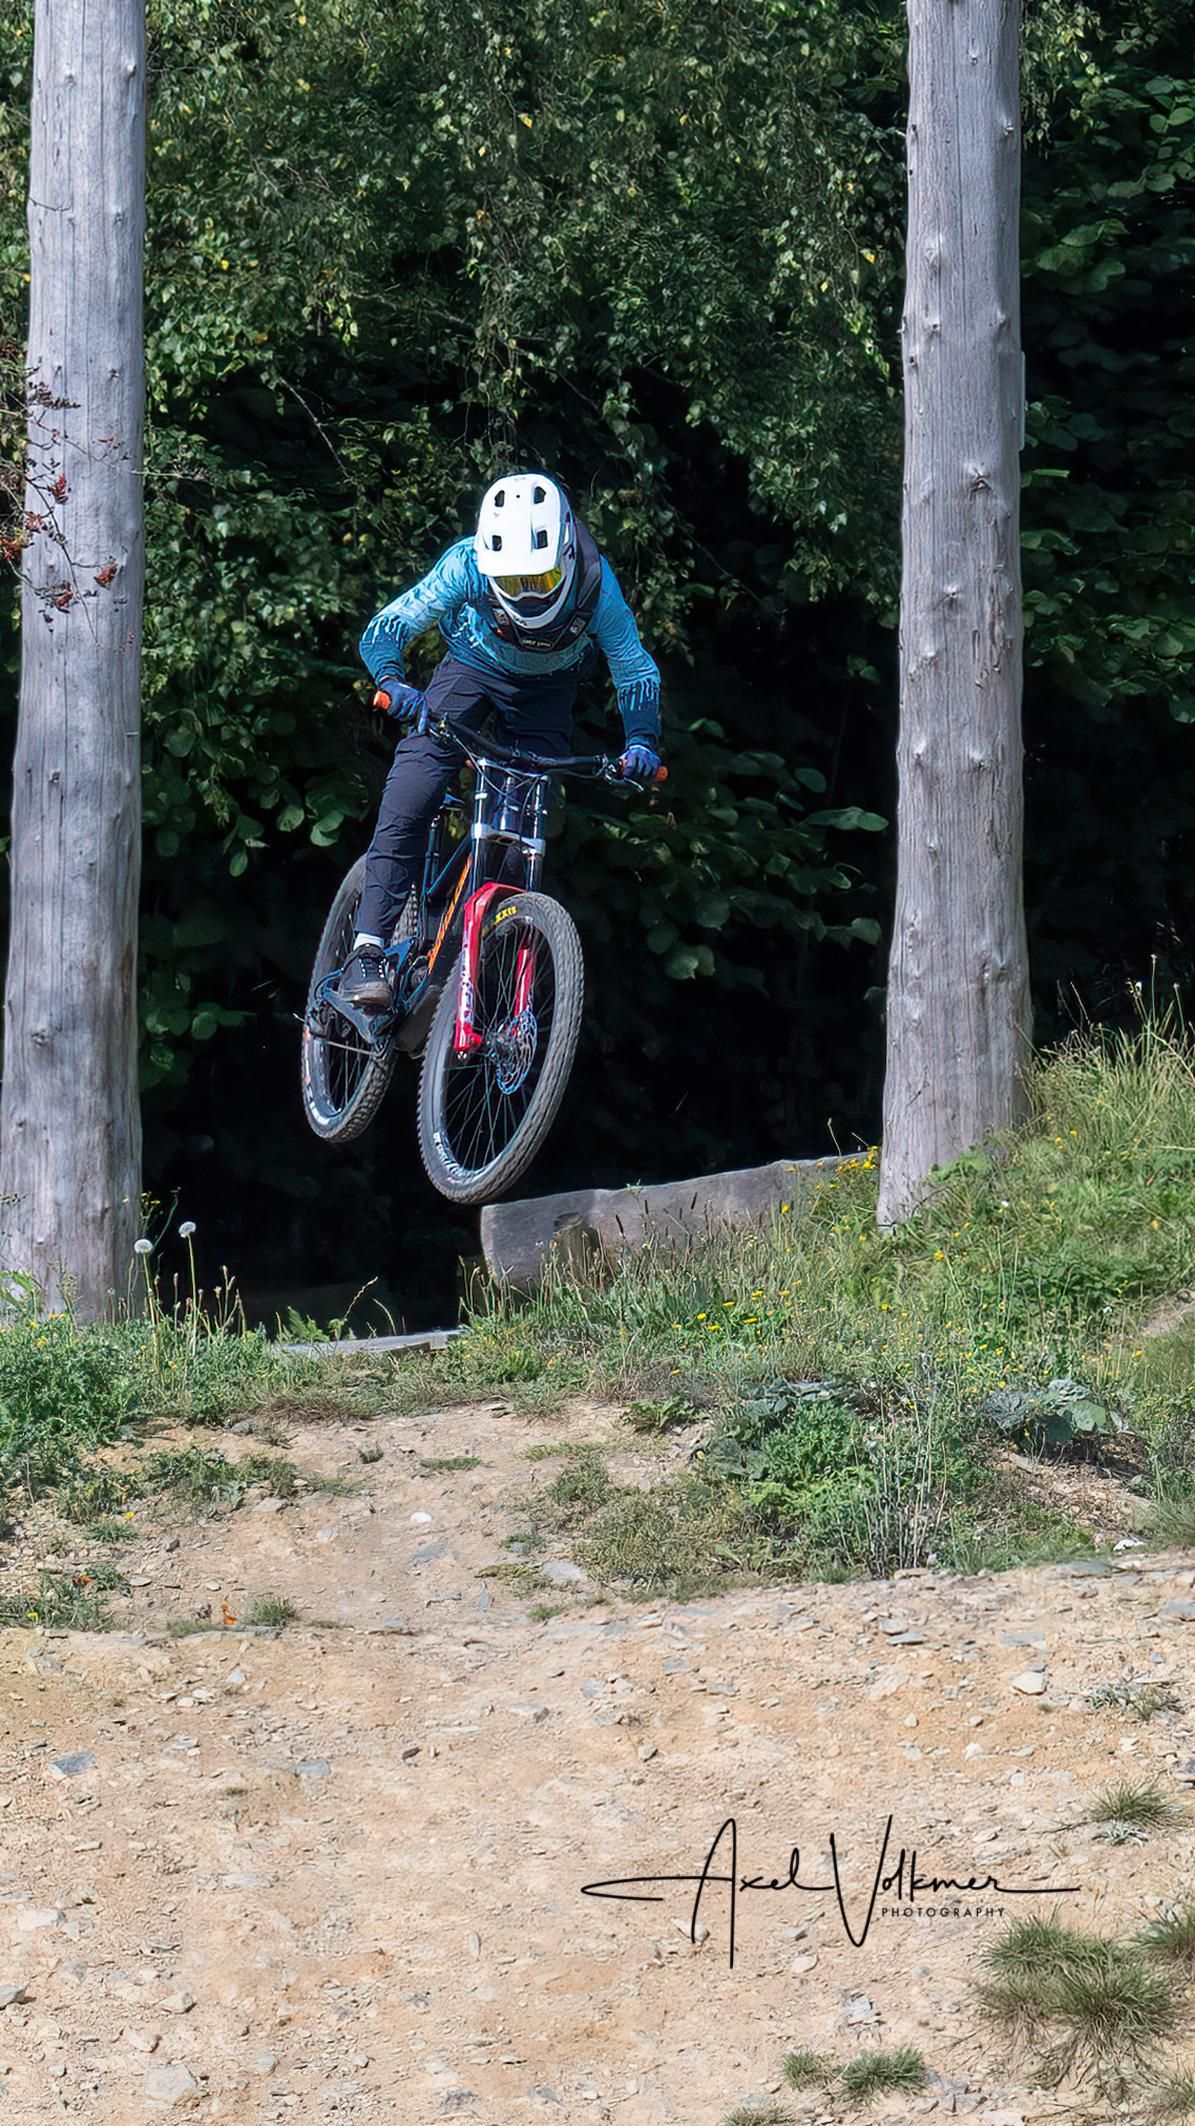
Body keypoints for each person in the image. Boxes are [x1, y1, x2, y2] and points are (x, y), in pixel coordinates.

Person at [336, 471, 663, 1008]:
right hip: (470, 670)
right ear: (490, 568)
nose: (528, 593)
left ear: (566, 555)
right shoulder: (466, 564)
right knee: (414, 787)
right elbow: (389, 625)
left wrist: (642, 739)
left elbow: (635, 669)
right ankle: (366, 951)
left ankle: (476, 963)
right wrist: (394, 681)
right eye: (512, 581)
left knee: (521, 842)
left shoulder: (598, 586)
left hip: (546, 694)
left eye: (541, 576)